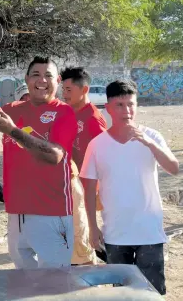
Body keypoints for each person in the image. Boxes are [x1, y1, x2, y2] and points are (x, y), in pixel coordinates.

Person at [0, 56, 78, 269]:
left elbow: (54, 155)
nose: (41, 80)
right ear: (26, 79)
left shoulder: (63, 112)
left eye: (48, 75)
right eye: (35, 74)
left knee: (53, 285)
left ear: (58, 80)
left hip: (52, 214)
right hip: (16, 213)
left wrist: (13, 131)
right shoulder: (11, 109)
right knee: (24, 282)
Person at [80, 79, 179, 295]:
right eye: (120, 105)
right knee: (122, 293)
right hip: (115, 234)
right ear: (108, 108)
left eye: (131, 104)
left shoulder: (152, 136)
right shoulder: (97, 144)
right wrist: (93, 227)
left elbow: (174, 168)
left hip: (149, 232)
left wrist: (150, 144)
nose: (127, 111)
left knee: (151, 292)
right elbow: (89, 189)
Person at [60, 67, 107, 265]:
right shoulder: (67, 111)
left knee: (84, 234)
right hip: (69, 183)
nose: (64, 93)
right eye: (63, 89)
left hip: (85, 187)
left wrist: (95, 190)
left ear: (84, 90)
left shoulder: (94, 120)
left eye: (69, 90)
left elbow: (104, 158)